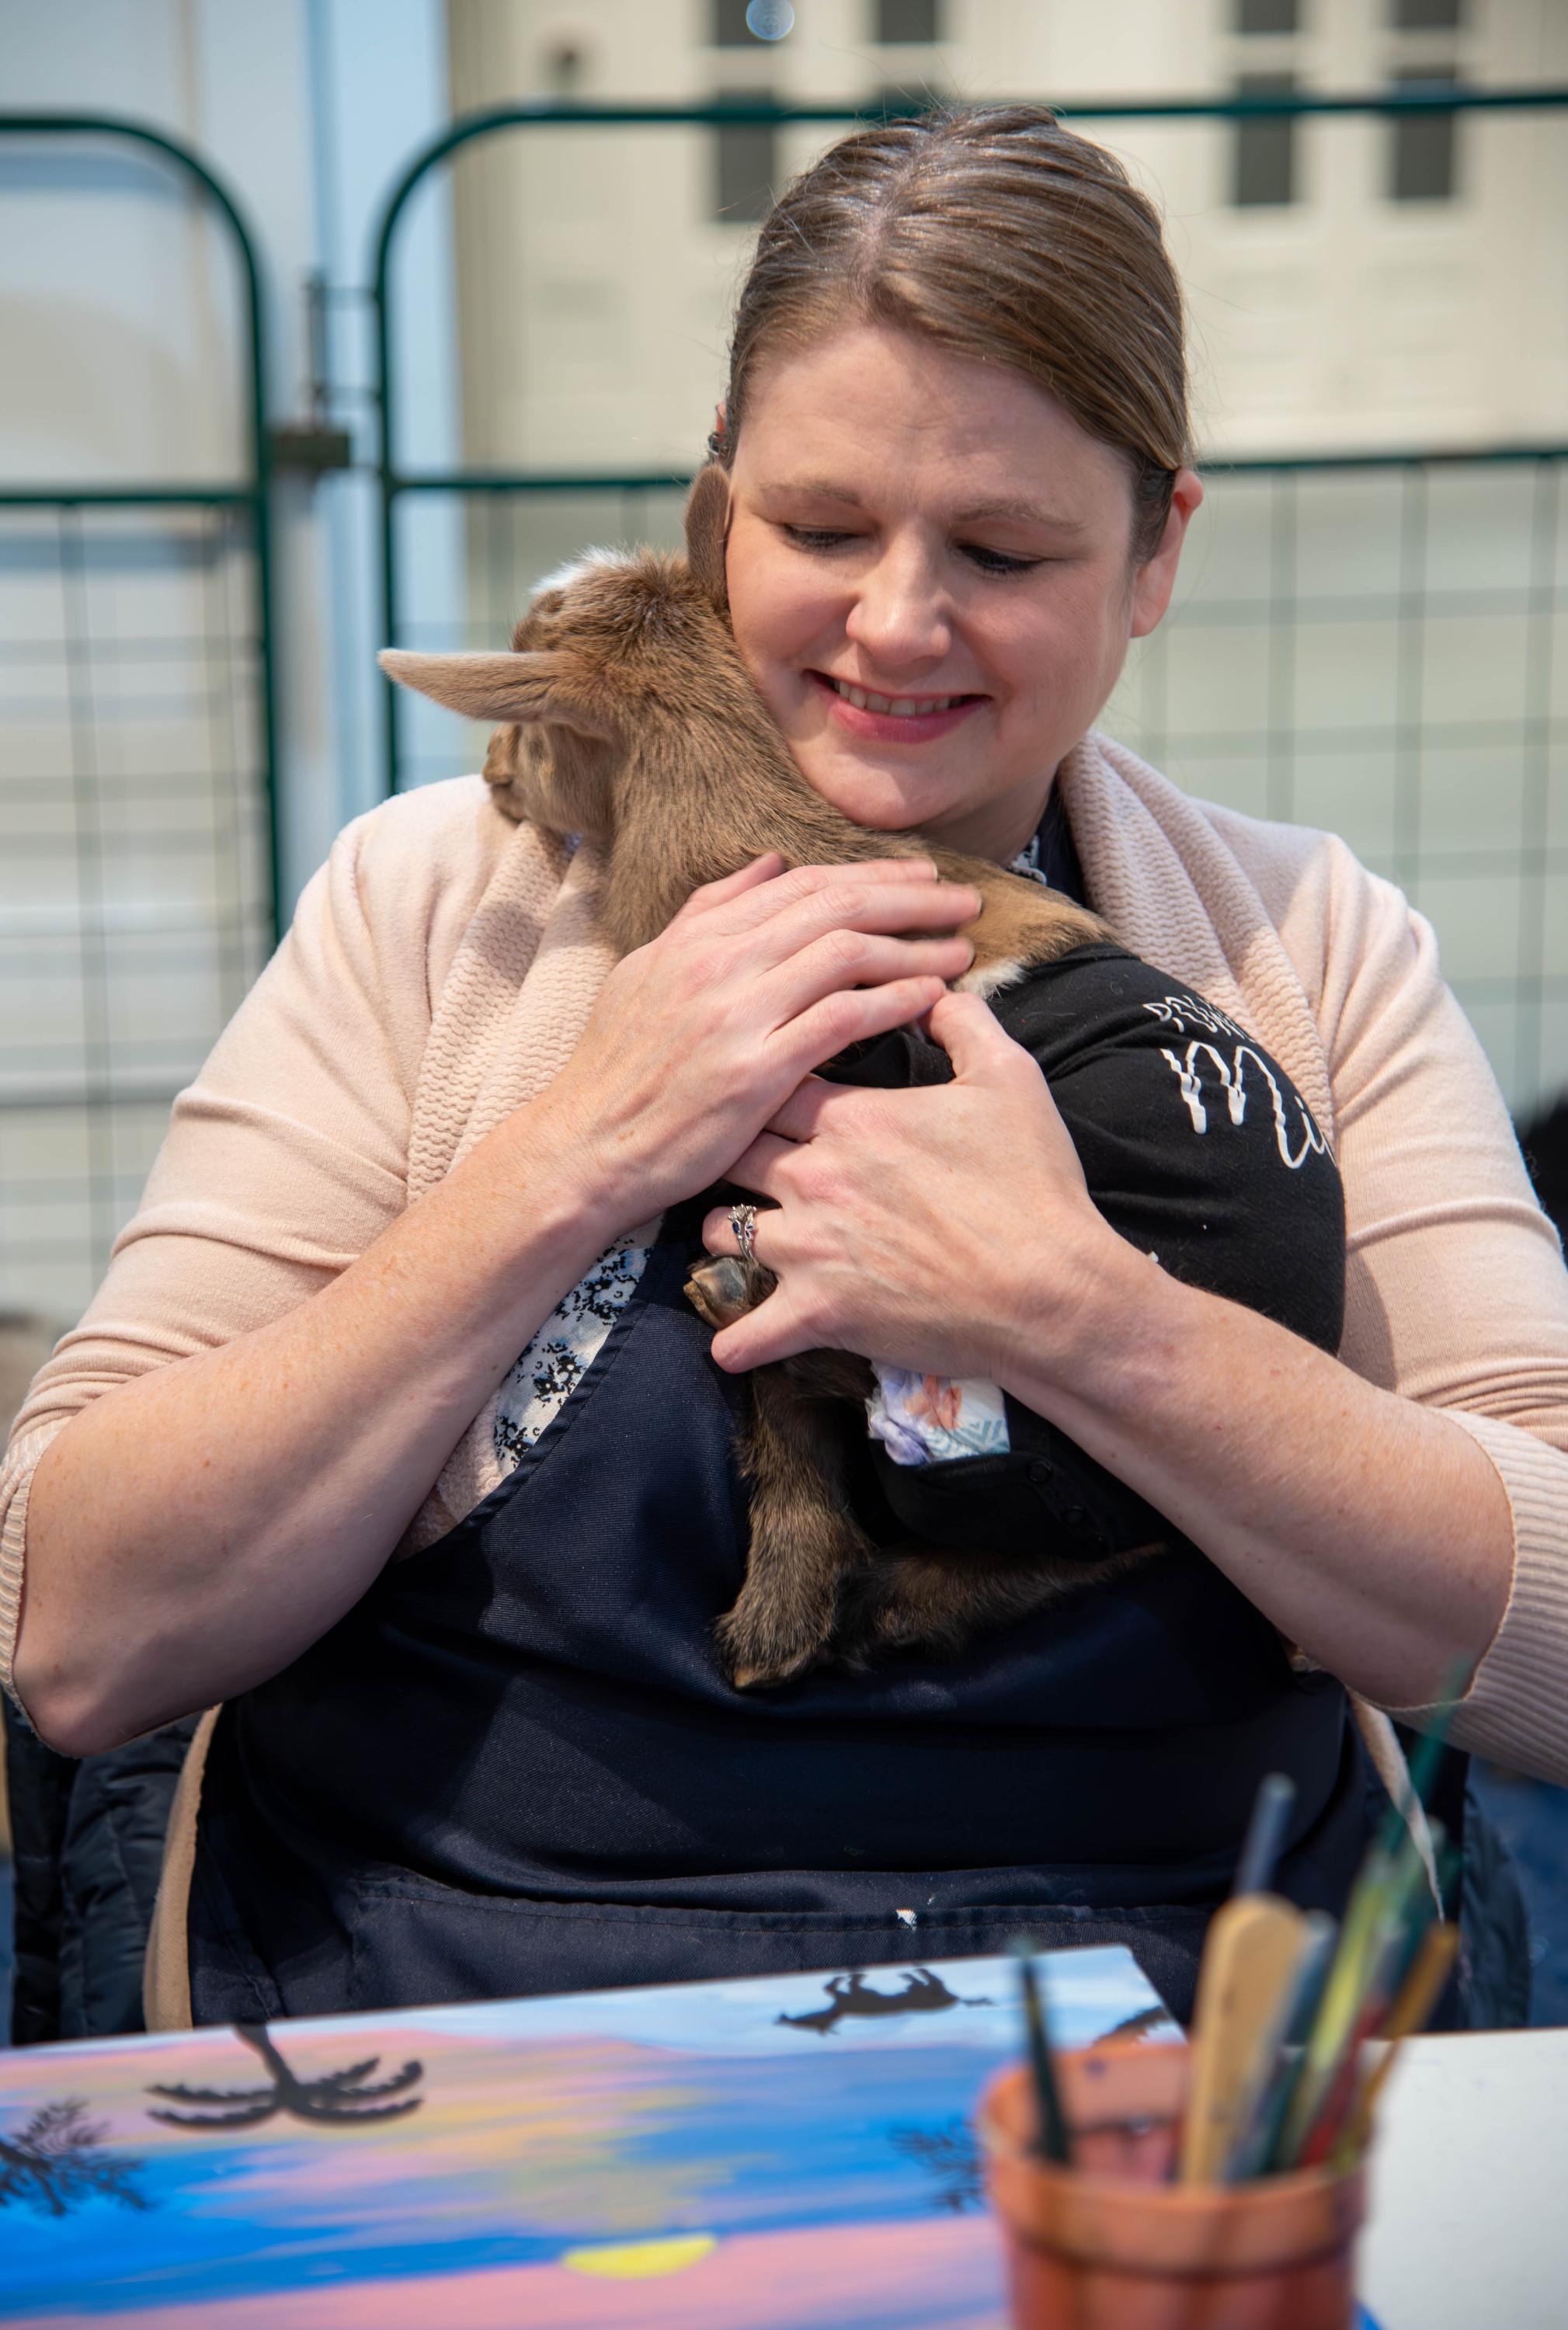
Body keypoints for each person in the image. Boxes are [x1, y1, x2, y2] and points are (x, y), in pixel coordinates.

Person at [5, 107, 1566, 2033]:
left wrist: (1087, 1322)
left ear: (1153, 554)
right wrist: (569, 1155)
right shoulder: (436, 912)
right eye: (818, 530)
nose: (894, 622)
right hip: (468, 2000)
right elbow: (79, 1630)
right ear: (711, 512)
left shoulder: (1298, 945)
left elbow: (1550, 1651)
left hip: (1171, 2024)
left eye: (1000, 549)